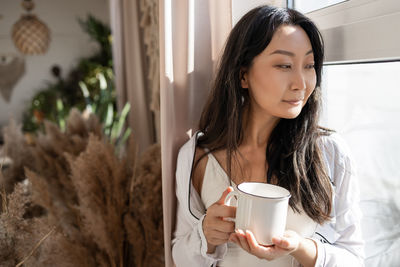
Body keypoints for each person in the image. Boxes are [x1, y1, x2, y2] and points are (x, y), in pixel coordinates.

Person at [172, 5, 364, 267]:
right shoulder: (198, 156)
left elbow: (355, 259)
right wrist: (205, 235)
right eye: (284, 65)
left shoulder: (328, 153)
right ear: (243, 75)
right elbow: (180, 257)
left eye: (309, 65)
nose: (301, 83)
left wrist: (300, 248)